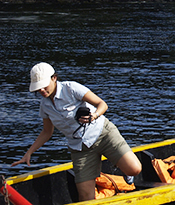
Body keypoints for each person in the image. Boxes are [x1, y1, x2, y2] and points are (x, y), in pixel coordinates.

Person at [12, 63, 142, 202]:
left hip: (103, 134)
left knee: (134, 169)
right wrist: (29, 153)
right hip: (80, 148)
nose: (42, 90)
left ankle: (120, 167)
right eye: (38, 88)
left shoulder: (71, 88)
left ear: (54, 78)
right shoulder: (45, 105)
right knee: (86, 198)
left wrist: (94, 116)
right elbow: (46, 132)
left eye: (44, 85)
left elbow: (102, 104)